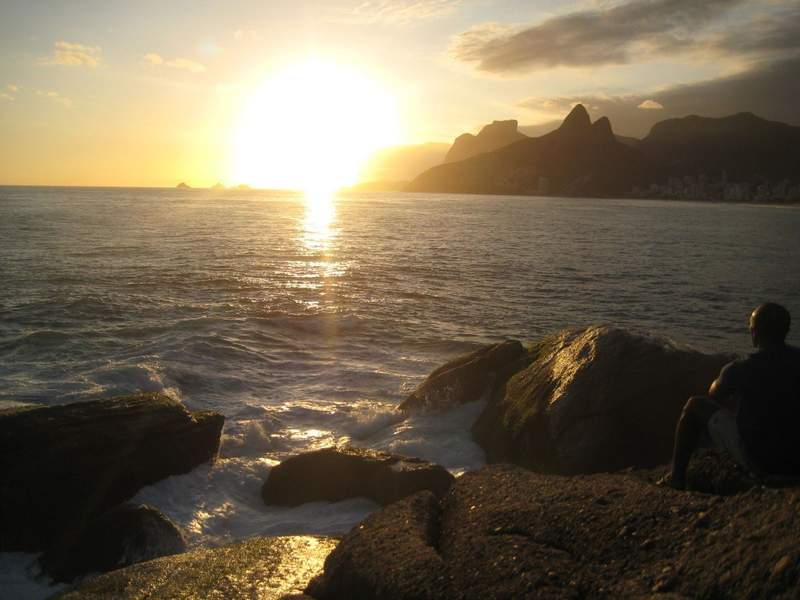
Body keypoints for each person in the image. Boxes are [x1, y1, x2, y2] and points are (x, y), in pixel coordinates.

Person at [659, 302, 800, 489]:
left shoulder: (741, 368)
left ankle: (676, 478)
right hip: (796, 460)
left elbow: (714, 393)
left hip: (763, 462)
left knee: (695, 406)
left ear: (755, 332)